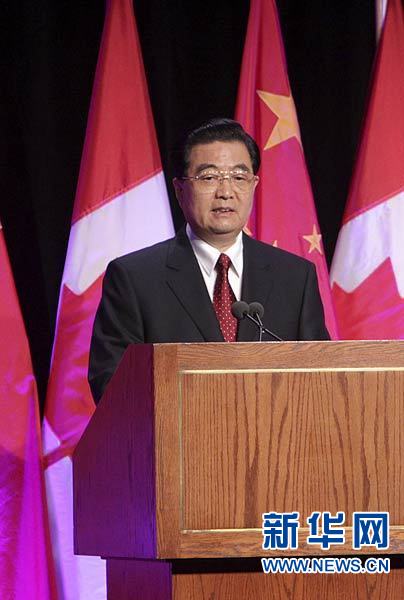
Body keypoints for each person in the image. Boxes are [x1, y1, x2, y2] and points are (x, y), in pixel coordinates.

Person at [89, 118, 329, 403]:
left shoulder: (295, 277)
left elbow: (320, 380)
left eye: (239, 177)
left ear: (254, 185)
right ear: (180, 190)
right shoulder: (135, 278)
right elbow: (112, 385)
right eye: (209, 177)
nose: (225, 191)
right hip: (176, 443)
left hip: (275, 444)